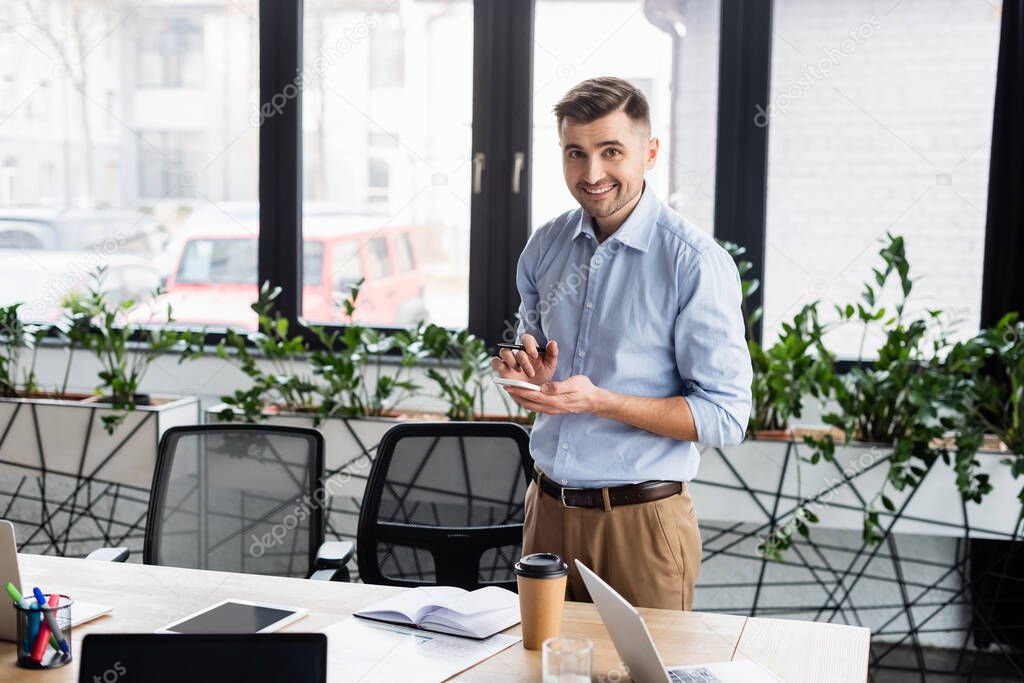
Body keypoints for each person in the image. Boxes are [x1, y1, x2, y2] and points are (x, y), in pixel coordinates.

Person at [492, 76, 752, 611]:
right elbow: (535, 350)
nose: (593, 174)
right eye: (575, 153)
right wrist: (531, 373)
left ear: (649, 152)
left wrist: (601, 400)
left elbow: (726, 416)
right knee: (539, 672)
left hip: (641, 525)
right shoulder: (546, 245)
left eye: (612, 151)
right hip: (545, 512)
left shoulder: (693, 263)